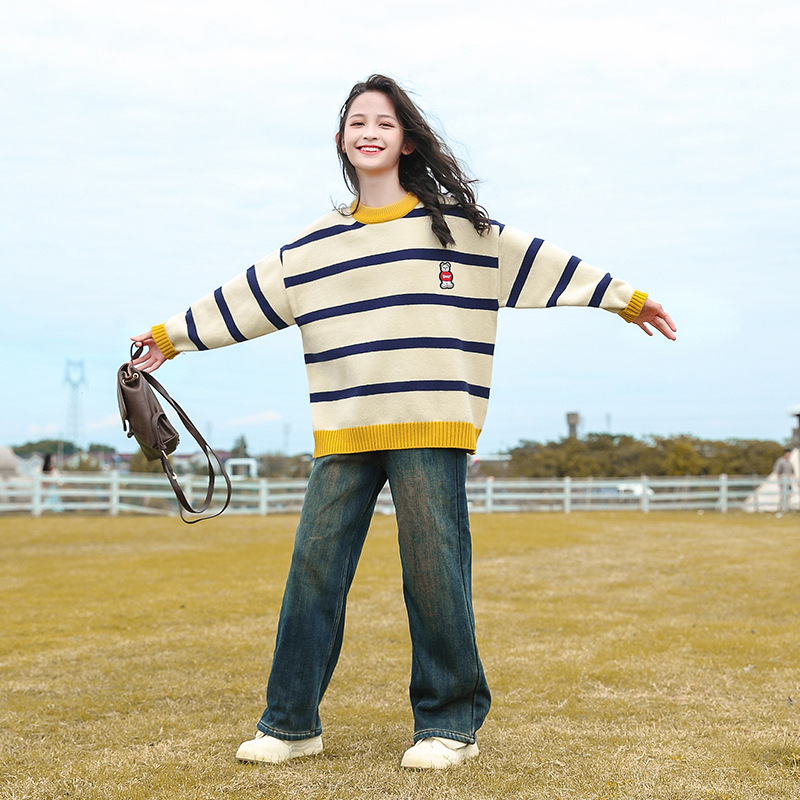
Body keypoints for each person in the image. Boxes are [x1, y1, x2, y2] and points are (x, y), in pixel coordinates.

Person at [131, 74, 677, 770]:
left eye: (384, 123)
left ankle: (449, 725)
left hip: (432, 424)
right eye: (358, 122)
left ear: (406, 139)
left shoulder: (461, 231)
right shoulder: (313, 248)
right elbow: (242, 298)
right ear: (341, 141)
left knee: (433, 575)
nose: (370, 132)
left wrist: (626, 299)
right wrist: (166, 337)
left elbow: (545, 264)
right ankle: (291, 723)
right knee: (313, 574)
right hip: (347, 429)